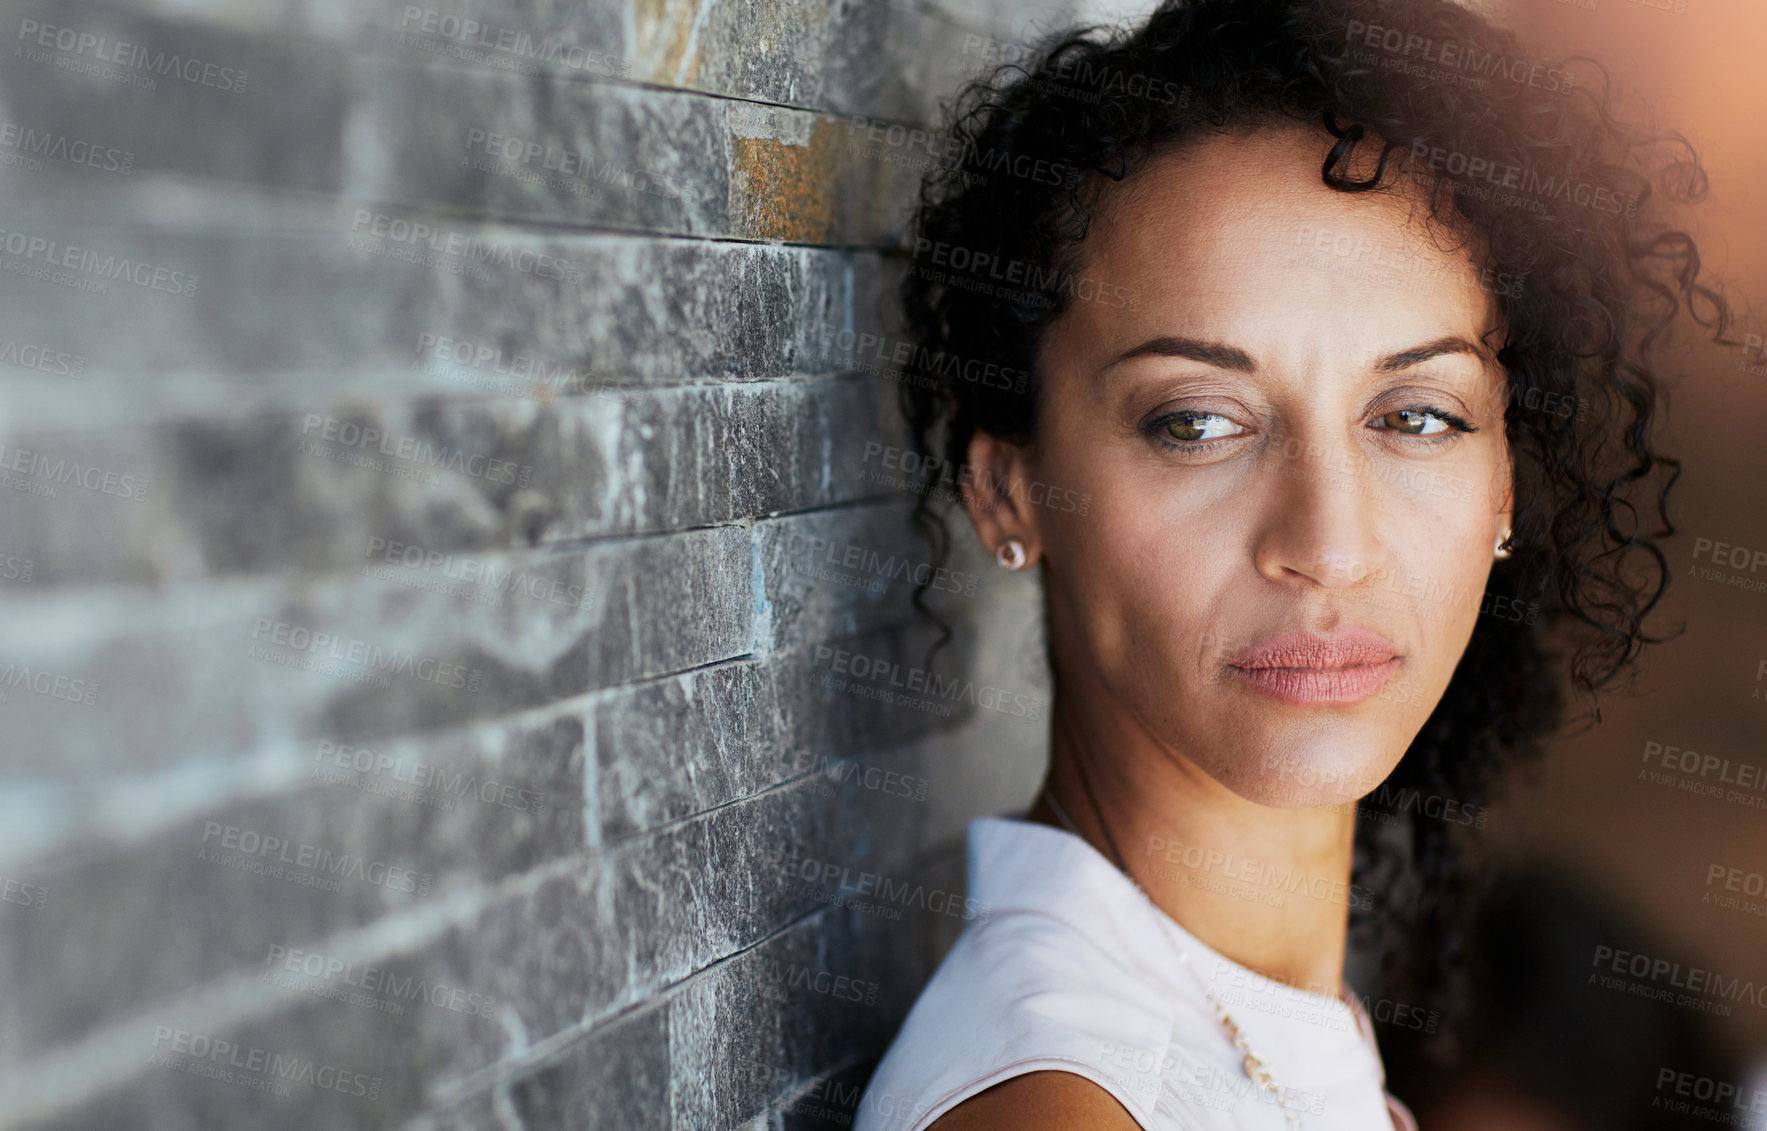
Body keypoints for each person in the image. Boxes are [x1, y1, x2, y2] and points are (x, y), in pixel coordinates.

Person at [853, 0, 1732, 1127]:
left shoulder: (1255, 1035)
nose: (1328, 545)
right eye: (1197, 423)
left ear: (1505, 489)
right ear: (1007, 489)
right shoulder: (1061, 1100)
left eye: (1416, 417)